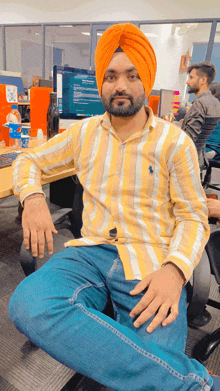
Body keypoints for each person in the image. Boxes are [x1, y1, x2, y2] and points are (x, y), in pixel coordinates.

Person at [9, 23, 219, 390]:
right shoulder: (84, 134)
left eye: (131, 75)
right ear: (101, 82)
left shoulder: (175, 143)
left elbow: (193, 215)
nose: (120, 85)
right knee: (29, 304)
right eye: (110, 76)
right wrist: (33, 198)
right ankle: (193, 385)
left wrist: (175, 270)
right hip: (90, 253)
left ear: (146, 81)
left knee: (150, 361)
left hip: (152, 261)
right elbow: (28, 162)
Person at [181, 62, 220, 145]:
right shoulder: (216, 102)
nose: (187, 82)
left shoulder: (199, 103)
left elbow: (188, 139)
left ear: (203, 80)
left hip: (189, 155)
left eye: (191, 78)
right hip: (201, 155)